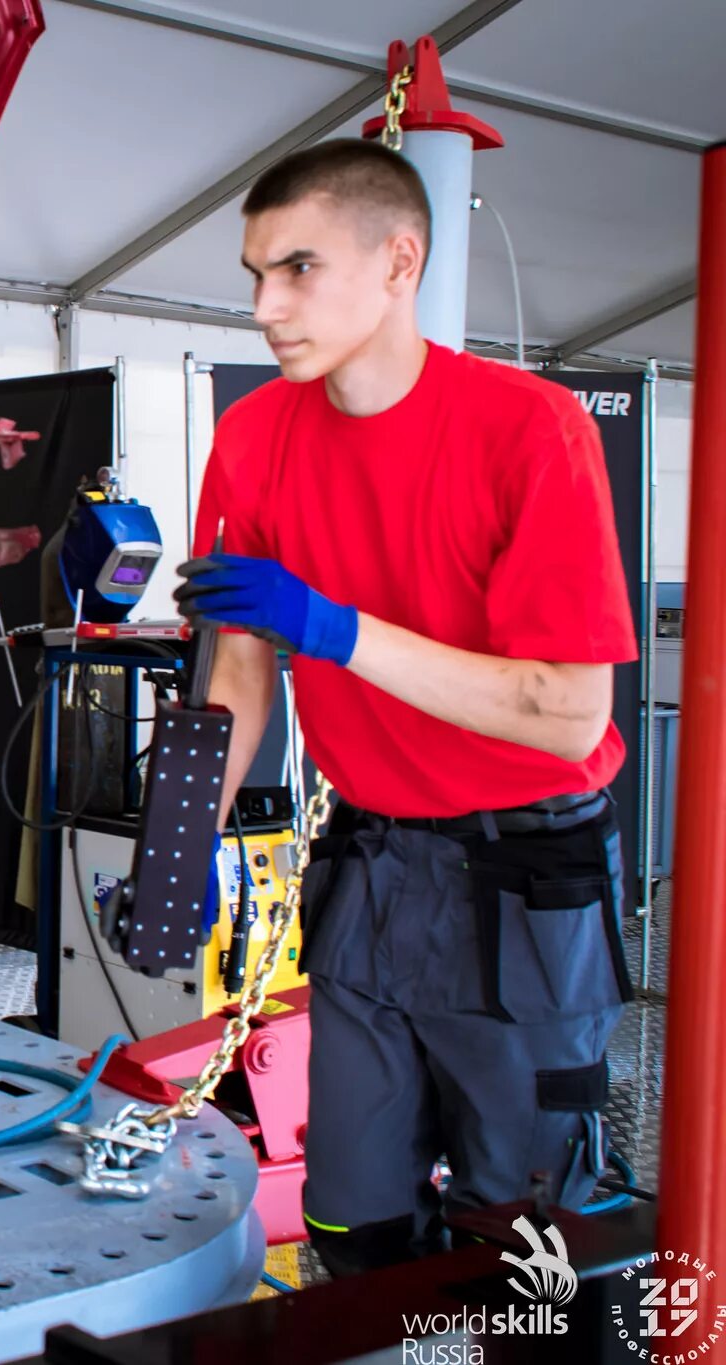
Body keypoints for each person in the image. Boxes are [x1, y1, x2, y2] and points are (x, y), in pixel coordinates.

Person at [174, 140, 635, 1279]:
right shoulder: (251, 437)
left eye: (295, 270)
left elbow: (565, 715)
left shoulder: (530, 430)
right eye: (252, 275)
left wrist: (331, 628)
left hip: (522, 884)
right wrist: (178, 829)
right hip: (371, 871)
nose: (264, 308)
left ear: (398, 261)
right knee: (353, 1221)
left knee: (522, 1238)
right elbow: (239, 667)